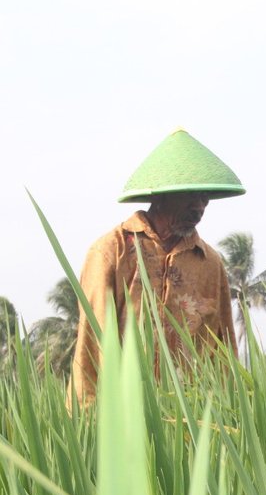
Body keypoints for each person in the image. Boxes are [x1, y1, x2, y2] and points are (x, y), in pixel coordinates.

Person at [69, 128, 245, 404]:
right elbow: (92, 341)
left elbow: (222, 347)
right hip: (124, 408)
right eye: (191, 195)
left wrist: (231, 410)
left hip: (188, 411)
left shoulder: (209, 264)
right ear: (161, 196)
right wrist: (92, 414)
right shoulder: (111, 251)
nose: (199, 207)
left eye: (205, 198)